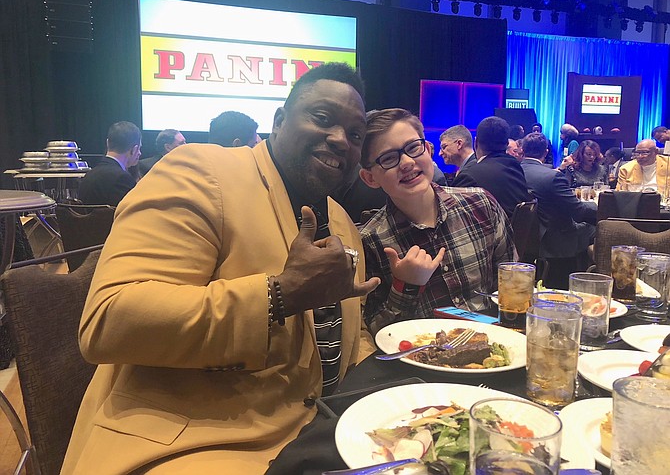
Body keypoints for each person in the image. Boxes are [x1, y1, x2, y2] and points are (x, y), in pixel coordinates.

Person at [62, 63, 380, 474]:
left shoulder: (341, 223)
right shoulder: (202, 171)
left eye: (355, 134)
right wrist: (279, 294)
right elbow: (108, 320)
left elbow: (348, 343)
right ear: (279, 122)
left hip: (319, 443)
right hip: (190, 449)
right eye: (323, 119)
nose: (340, 139)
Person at [357, 108, 515, 335]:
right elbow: (376, 334)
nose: (407, 162)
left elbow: (511, 286)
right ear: (370, 178)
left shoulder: (481, 205)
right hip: (418, 362)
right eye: (389, 158)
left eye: (413, 148)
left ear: (428, 150)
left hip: (495, 349)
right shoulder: (371, 242)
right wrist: (406, 285)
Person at [520, 132, 596, 262]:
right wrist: (598, 207)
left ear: (522, 150)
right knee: (596, 228)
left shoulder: (513, 173)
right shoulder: (553, 177)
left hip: (522, 238)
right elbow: (578, 211)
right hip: (554, 239)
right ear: (546, 152)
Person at [452, 116, 530, 219]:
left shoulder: (468, 176)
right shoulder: (515, 166)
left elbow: (454, 217)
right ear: (507, 144)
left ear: (476, 143)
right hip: (519, 233)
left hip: (491, 234)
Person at [78, 121, 142, 207]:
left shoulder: (89, 174)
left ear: (107, 143)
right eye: (139, 148)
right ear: (134, 149)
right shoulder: (123, 179)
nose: (140, 153)